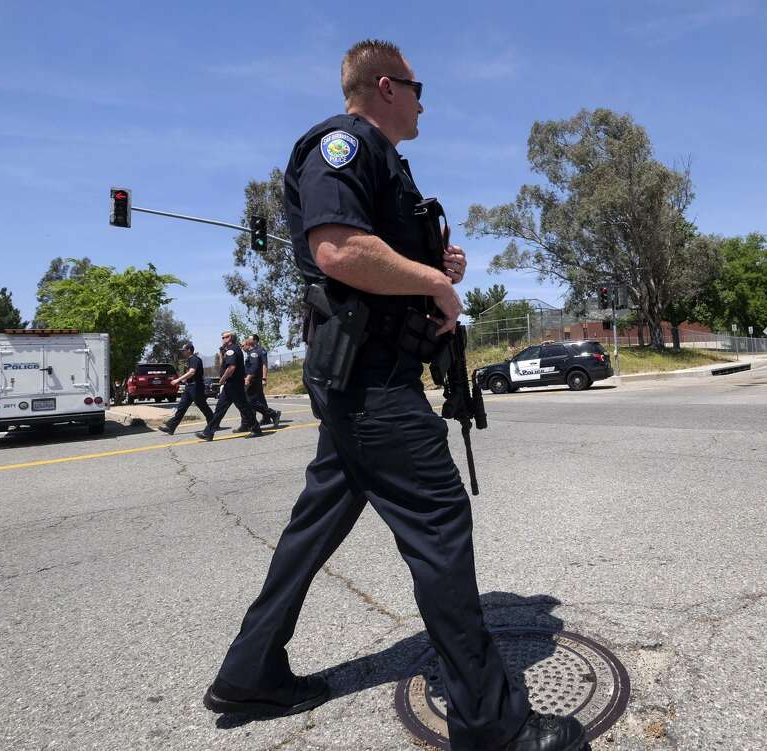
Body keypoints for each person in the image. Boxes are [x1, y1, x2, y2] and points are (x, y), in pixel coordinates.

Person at [200, 40, 585, 751]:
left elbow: (377, 255)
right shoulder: (345, 145)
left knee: (314, 523)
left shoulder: (386, 161)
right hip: (372, 381)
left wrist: (435, 265)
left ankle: (248, 670)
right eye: (416, 86)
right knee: (439, 524)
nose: (423, 100)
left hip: (362, 378)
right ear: (384, 86)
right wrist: (438, 285)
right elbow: (337, 249)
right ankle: (492, 725)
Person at [196, 331, 262, 440]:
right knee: (220, 409)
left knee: (244, 408)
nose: (222, 339)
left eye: (224, 337)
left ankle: (256, 429)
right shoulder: (232, 350)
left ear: (229, 338)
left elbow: (231, 368)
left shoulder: (232, 350)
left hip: (234, 385)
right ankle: (208, 432)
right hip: (231, 385)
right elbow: (225, 364)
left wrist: (222, 379)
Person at [158, 342, 213, 435]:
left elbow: (192, 372)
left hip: (196, 387)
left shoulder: (194, 359)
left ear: (189, 350)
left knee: (203, 407)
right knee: (181, 407)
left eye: (184, 350)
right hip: (189, 387)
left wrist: (178, 380)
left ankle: (213, 424)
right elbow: (189, 374)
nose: (182, 352)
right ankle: (171, 427)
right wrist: (184, 380)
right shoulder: (189, 360)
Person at [242, 335, 280, 428]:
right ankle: (267, 416)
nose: (242, 347)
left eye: (250, 339)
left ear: (253, 341)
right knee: (256, 401)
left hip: (254, 380)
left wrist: (264, 378)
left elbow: (264, 365)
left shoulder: (259, 351)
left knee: (251, 401)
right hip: (252, 379)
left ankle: (270, 414)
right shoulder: (251, 352)